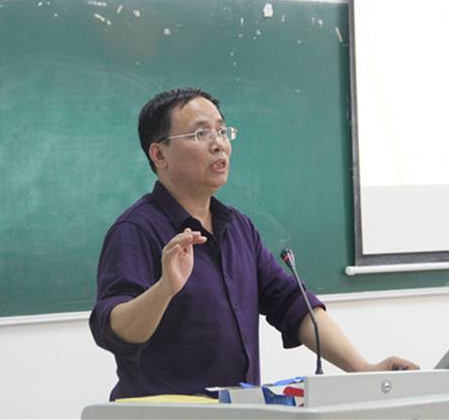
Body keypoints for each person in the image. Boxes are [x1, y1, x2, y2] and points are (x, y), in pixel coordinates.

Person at [89, 87, 418, 400]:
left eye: (222, 131)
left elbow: (292, 304)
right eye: (201, 133)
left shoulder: (238, 228)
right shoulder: (135, 230)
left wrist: (363, 370)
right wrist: (165, 289)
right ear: (159, 154)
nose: (219, 144)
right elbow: (113, 330)